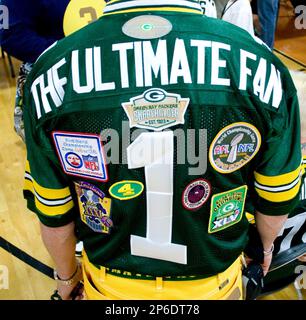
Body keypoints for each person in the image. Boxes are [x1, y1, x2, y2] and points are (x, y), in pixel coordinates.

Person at [22, 0, 303, 300]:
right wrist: (265, 248)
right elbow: (276, 196)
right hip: (213, 283)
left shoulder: (50, 70)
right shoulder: (258, 61)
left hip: (111, 286)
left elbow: (55, 214)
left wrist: (66, 277)